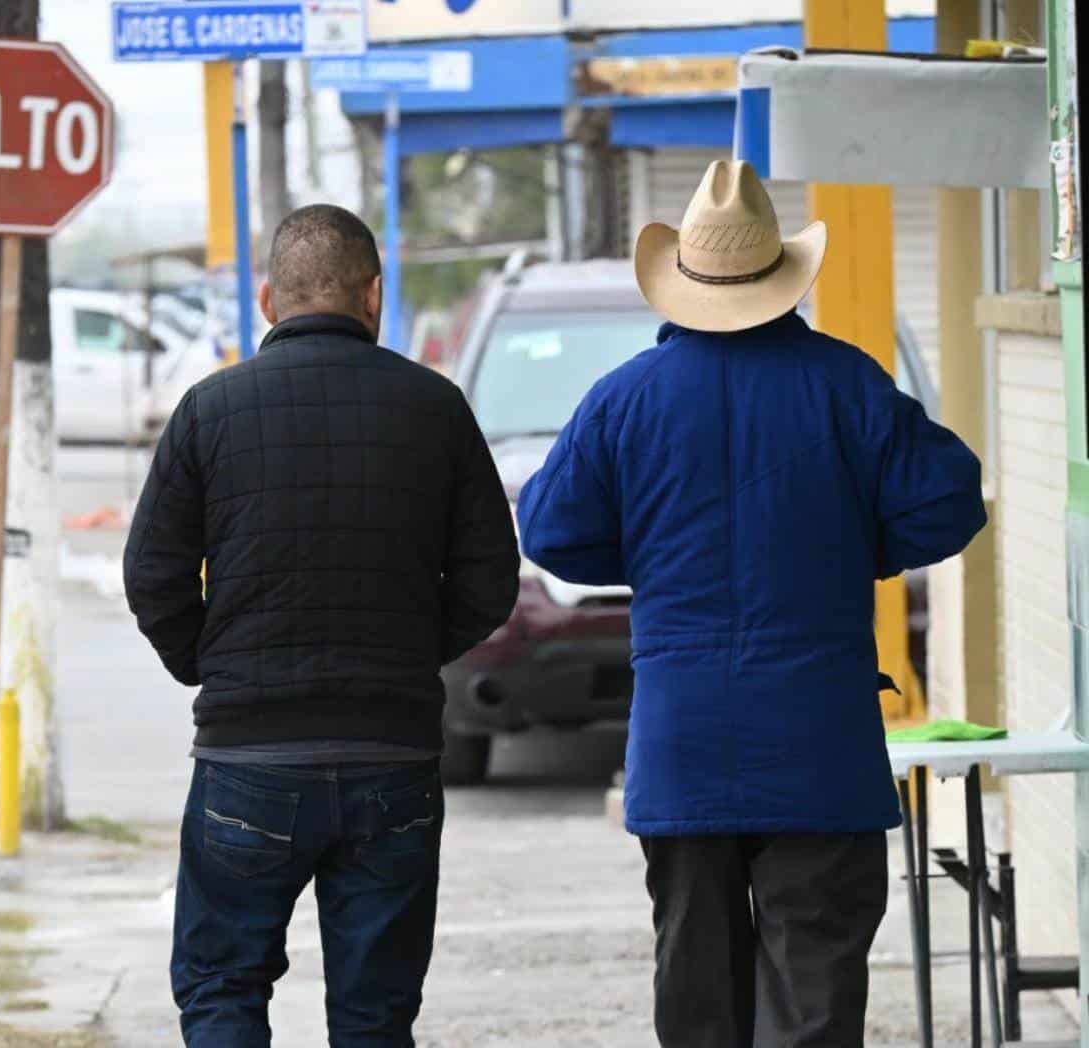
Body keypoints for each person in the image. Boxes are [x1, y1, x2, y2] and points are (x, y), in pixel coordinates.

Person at [517, 160, 987, 1048]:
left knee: (698, 1000)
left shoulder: (624, 400)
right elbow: (952, 500)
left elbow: (548, 529)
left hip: (684, 743)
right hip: (820, 745)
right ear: (780, 278)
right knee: (813, 1000)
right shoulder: (849, 385)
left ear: (684, 283)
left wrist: (649, 555)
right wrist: (863, 550)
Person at [123, 204, 519, 1048]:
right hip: (394, 758)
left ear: (269, 299)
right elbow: (489, 581)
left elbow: (151, 573)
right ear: (373, 295)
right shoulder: (437, 408)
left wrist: (210, 665)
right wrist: (409, 655)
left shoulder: (209, 410)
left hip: (246, 759)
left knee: (224, 989)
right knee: (376, 1015)